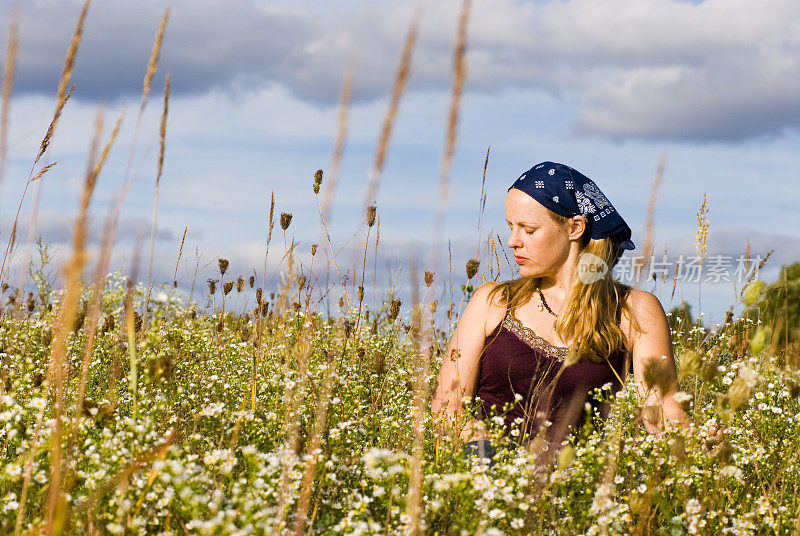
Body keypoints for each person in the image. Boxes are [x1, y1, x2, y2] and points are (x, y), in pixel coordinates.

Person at [431, 161, 688, 467]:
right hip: (486, 476)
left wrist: (698, 440)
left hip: (576, 488)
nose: (513, 240)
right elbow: (446, 407)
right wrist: (487, 449)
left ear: (574, 228)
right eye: (511, 227)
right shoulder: (493, 301)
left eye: (528, 229)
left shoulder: (634, 310)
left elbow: (661, 406)